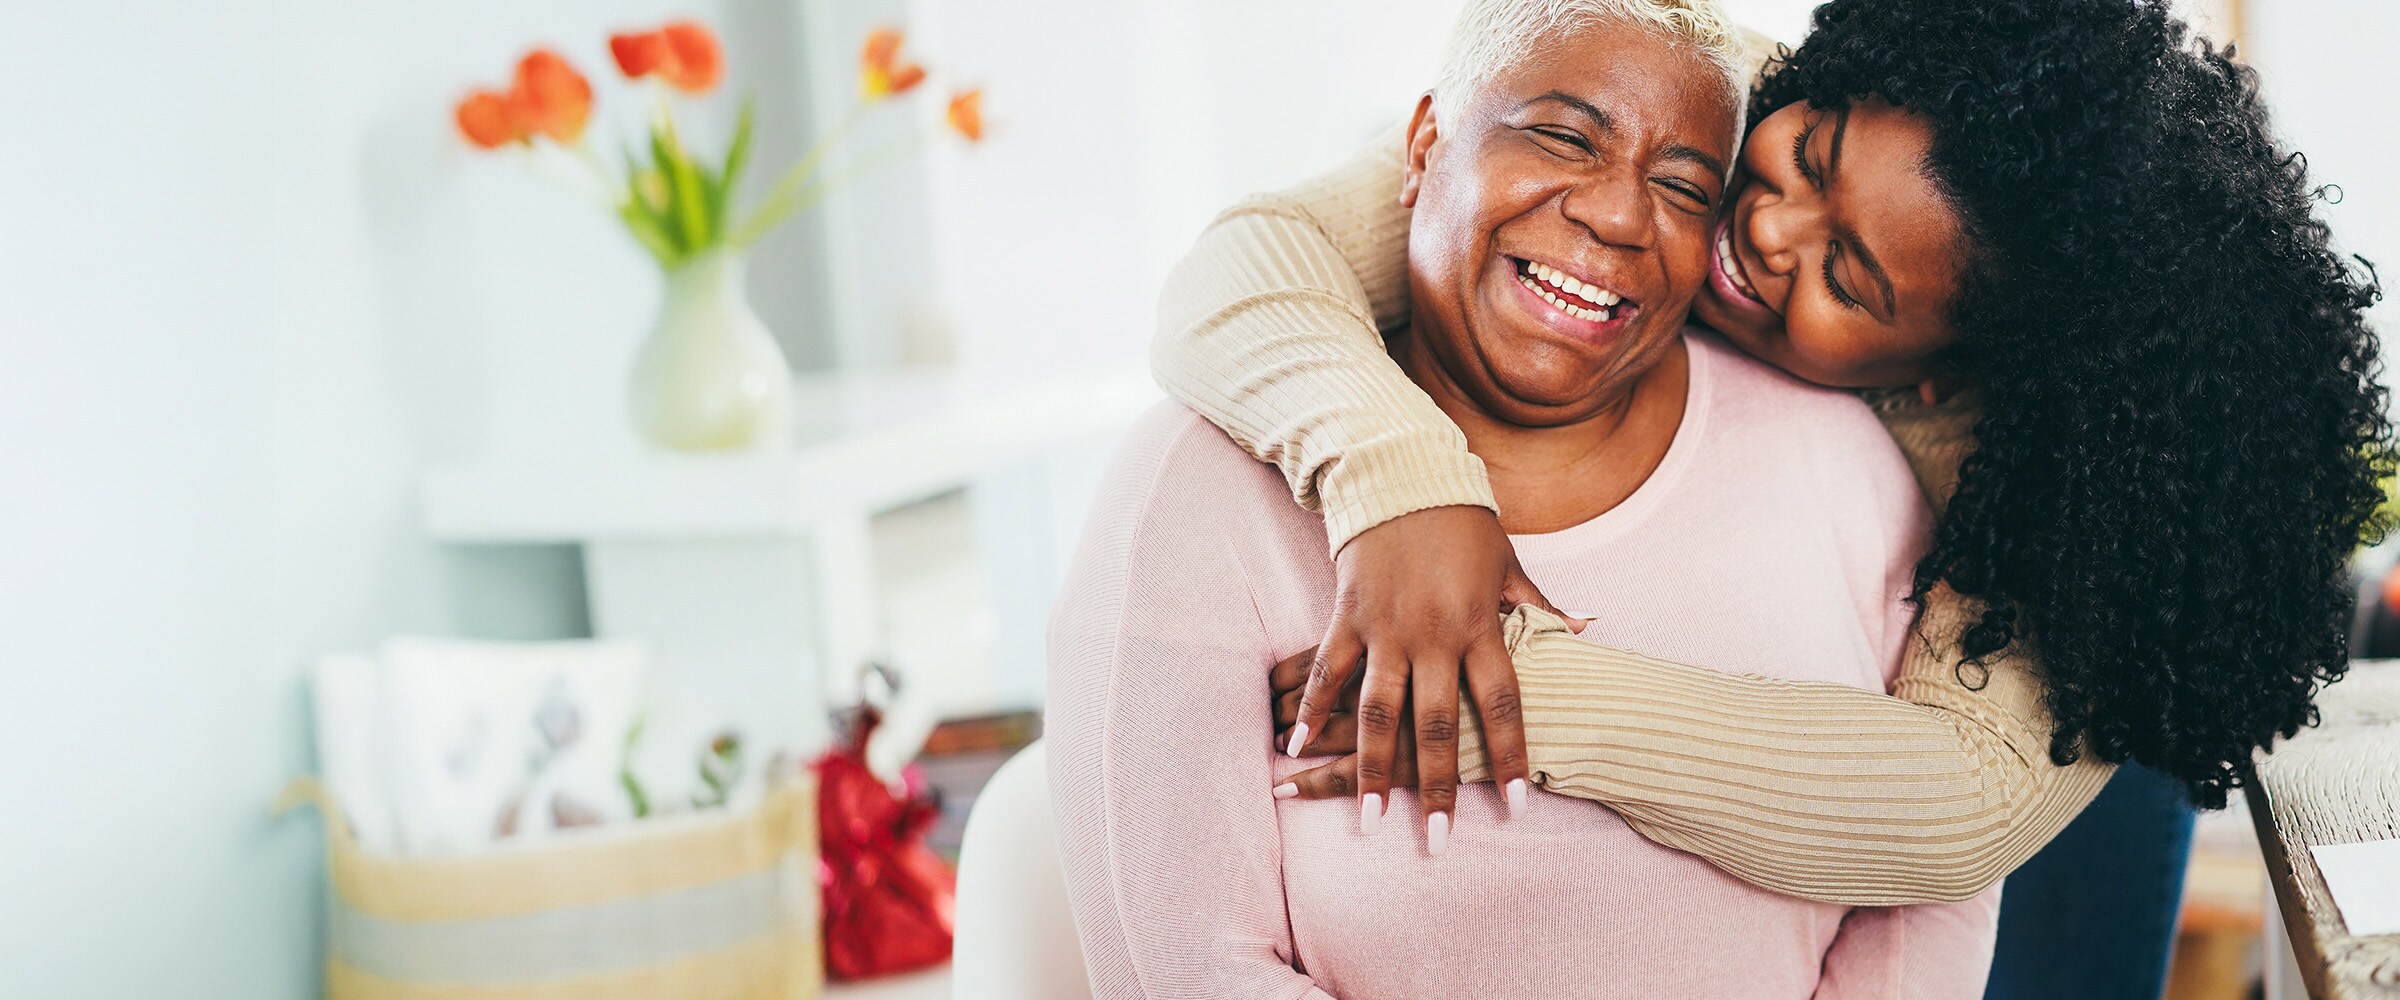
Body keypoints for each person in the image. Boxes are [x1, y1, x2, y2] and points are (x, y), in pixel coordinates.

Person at [1153, 0, 2390, 994]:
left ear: (1942, 372)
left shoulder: (2050, 464)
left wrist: (1534, 695)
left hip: (1992, 773)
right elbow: (1252, 263)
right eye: (1809, 155)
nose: (1765, 228)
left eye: (1845, 276)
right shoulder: (1703, 100)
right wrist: (1406, 485)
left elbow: (1958, 803)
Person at [1049, 3, 2003, 997]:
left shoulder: (1851, 471)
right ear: (1423, 146)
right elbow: (1192, 970)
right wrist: (1403, 483)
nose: (1620, 216)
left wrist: (1552, 702)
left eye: (1684, 188)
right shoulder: (1196, 488)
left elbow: (1932, 881)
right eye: (1561, 135)